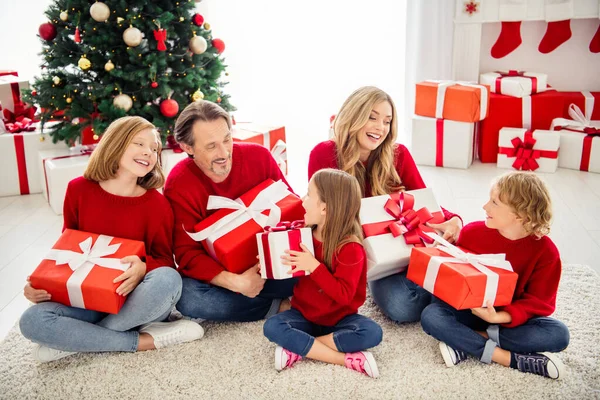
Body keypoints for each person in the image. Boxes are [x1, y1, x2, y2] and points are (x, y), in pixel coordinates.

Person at [20, 116, 204, 363]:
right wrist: (40, 286)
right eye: (139, 143)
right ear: (115, 143)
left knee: (168, 280)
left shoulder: (157, 204)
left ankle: (76, 342)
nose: (148, 152)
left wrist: (142, 268)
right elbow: (67, 251)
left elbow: (165, 262)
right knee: (31, 321)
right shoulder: (78, 190)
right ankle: (140, 341)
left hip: (135, 302)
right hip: (88, 302)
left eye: (154, 148)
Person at [308, 86, 462, 323]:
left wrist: (454, 219)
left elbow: (424, 201)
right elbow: (318, 214)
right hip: (352, 254)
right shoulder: (324, 154)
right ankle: (447, 298)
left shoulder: (398, 154)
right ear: (353, 116)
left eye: (387, 121)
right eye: (372, 117)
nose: (380, 127)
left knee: (466, 242)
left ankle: (452, 293)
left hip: (398, 248)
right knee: (402, 306)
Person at [420, 171, 570, 379]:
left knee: (558, 334)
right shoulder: (472, 232)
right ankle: (511, 359)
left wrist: (498, 316)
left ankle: (464, 343)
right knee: (431, 316)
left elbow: (539, 302)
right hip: (468, 312)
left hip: (507, 320)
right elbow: (454, 276)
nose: (485, 207)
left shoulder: (546, 252)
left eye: (495, 203)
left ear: (519, 214)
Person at [164, 101, 296, 322]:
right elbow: (187, 254)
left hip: (277, 264)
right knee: (188, 297)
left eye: (227, 139)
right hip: (227, 278)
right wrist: (237, 282)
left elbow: (292, 209)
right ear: (188, 148)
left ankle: (274, 301)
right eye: (211, 146)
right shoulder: (179, 184)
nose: (224, 152)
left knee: (328, 258)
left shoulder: (259, 156)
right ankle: (280, 305)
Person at [263, 169, 383, 378]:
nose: (302, 200)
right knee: (272, 326)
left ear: (325, 208)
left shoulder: (351, 248)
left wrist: (314, 266)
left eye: (309, 194)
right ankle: (342, 358)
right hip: (304, 315)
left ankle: (301, 348)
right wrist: (269, 258)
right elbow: (288, 263)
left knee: (372, 333)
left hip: (340, 320)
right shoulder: (305, 232)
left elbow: (344, 295)